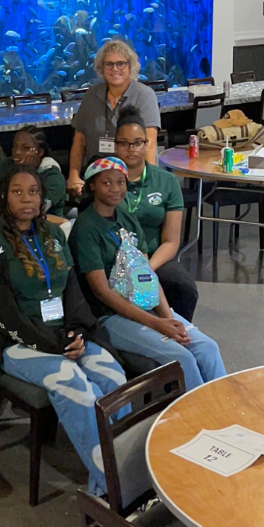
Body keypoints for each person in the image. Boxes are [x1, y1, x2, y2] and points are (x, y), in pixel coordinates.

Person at [0, 167, 129, 499]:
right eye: (17, 192)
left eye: (33, 191)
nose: (27, 198)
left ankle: (125, 471)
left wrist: (74, 334)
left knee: (114, 379)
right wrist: (55, 345)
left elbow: (72, 292)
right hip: (17, 344)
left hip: (65, 336)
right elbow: (3, 313)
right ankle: (113, 489)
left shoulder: (56, 235)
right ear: (3, 197)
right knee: (74, 384)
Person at [73, 157, 225, 390]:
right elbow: (102, 292)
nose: (115, 189)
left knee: (207, 347)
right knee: (181, 357)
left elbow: (147, 276)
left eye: (121, 182)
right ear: (92, 185)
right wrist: (156, 323)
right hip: (111, 316)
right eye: (107, 183)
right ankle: (195, 418)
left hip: (145, 306)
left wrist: (168, 318)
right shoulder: (86, 228)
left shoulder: (127, 219)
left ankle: (225, 407)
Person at [108, 119, 197, 320]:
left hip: (155, 256)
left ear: (147, 144)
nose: (131, 149)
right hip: (113, 257)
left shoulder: (167, 181)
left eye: (137, 142)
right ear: (115, 145)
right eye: (124, 143)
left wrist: (145, 269)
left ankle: (178, 332)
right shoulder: (105, 181)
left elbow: (171, 241)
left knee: (183, 287)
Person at [66, 38, 163, 202]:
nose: (114, 69)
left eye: (120, 64)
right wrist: (73, 175)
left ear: (130, 66)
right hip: (95, 178)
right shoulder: (91, 95)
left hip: (129, 179)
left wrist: (148, 187)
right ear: (101, 68)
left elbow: (150, 144)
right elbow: (79, 141)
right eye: (109, 64)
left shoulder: (145, 95)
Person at [1, 125, 69, 219]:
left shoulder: (53, 176)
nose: (17, 152)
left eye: (25, 148)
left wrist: (26, 170)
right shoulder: (7, 164)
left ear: (40, 152)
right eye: (15, 146)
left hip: (47, 228)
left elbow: (34, 211)